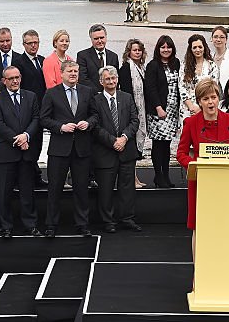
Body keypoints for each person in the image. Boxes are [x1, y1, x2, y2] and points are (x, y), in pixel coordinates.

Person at [177, 78, 229, 261]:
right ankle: (199, 272)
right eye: (205, 99)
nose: (210, 102)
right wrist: (195, 166)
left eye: (213, 97)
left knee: (223, 226)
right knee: (199, 226)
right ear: (199, 101)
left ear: (219, 98)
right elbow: (181, 153)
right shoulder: (191, 123)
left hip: (224, 183)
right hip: (200, 183)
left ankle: (222, 270)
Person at [41, 60, 96, 237]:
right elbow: (44, 119)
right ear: (62, 73)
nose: (73, 74)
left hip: (81, 148)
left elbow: (95, 115)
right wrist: (60, 127)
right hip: (59, 148)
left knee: (81, 188)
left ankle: (82, 224)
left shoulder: (86, 91)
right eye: (70, 71)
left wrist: (88, 123)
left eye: (76, 71)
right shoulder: (51, 93)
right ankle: (51, 225)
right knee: (55, 188)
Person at [90, 66, 142, 233]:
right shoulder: (95, 101)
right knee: (105, 189)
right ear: (101, 81)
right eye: (107, 79)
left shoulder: (126, 97)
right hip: (106, 151)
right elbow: (95, 127)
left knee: (127, 189)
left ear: (117, 79)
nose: (111, 82)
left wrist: (124, 138)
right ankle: (108, 221)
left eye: (113, 78)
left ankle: (127, 218)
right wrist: (113, 141)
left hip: (126, 150)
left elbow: (135, 121)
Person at [0, 65, 41, 238]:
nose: (15, 81)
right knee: (4, 192)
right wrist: (18, 139)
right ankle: (6, 226)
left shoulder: (31, 96)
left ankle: (30, 225)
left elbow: (36, 118)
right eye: (11, 78)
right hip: (7, 152)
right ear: (4, 81)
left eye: (17, 77)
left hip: (27, 152)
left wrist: (26, 136)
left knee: (27, 191)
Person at [144, 35, 181, 189]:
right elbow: (150, 88)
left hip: (172, 110)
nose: (166, 50)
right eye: (163, 47)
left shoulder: (176, 63)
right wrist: (159, 107)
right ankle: (158, 175)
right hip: (158, 111)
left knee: (167, 144)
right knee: (158, 144)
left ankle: (166, 175)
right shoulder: (153, 65)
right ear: (158, 49)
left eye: (168, 47)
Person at [15, 29, 49, 187]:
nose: (33, 45)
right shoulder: (18, 62)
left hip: (43, 108)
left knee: (39, 143)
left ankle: (35, 174)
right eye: (30, 43)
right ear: (24, 44)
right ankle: (30, 177)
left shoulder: (43, 60)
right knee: (29, 144)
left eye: (36, 42)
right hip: (27, 109)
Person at [118, 38, 149, 188]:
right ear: (128, 52)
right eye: (134, 50)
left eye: (139, 50)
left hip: (141, 111)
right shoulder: (125, 68)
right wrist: (133, 113)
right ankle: (132, 180)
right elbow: (125, 93)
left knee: (136, 147)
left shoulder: (141, 68)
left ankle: (135, 178)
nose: (137, 52)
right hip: (131, 112)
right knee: (131, 147)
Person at [180, 34, 219, 117]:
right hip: (187, 109)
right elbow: (182, 87)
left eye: (200, 47)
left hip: (205, 107)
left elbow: (213, 87)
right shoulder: (184, 66)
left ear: (204, 48)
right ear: (190, 49)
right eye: (194, 47)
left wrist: (200, 107)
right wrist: (191, 106)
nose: (197, 50)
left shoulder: (212, 65)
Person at [76, 24, 118, 90]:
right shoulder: (82, 56)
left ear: (106, 37)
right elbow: (83, 79)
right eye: (96, 39)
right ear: (91, 39)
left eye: (102, 38)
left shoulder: (113, 56)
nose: (99, 41)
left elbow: (116, 77)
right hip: (91, 95)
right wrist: (99, 94)